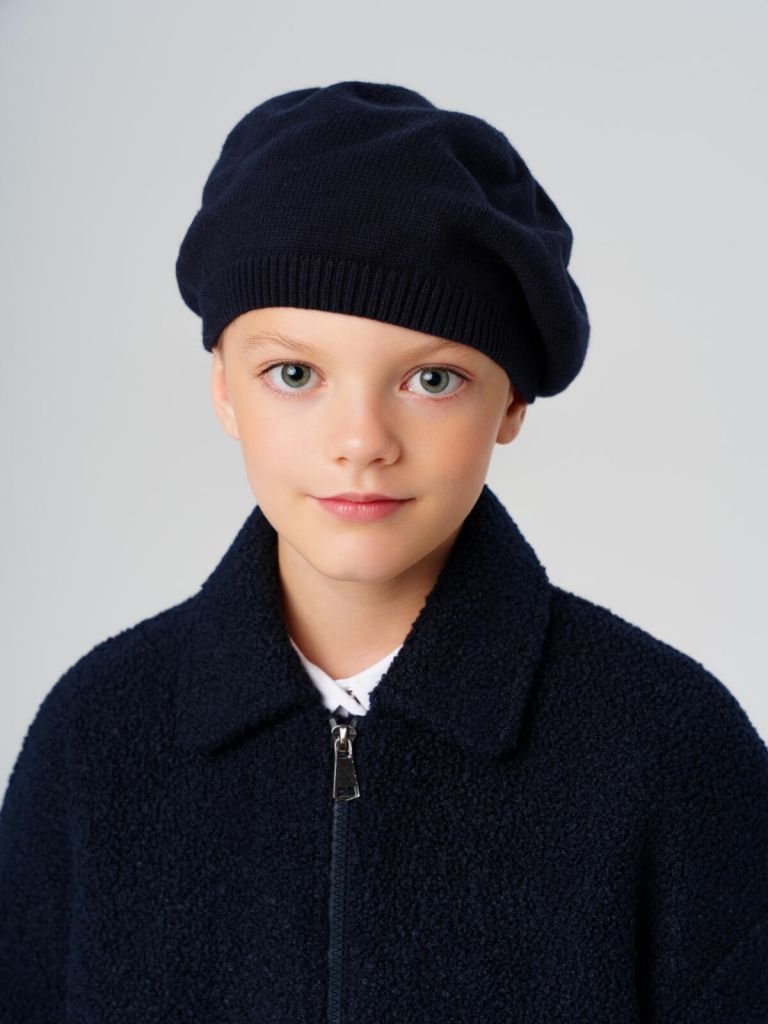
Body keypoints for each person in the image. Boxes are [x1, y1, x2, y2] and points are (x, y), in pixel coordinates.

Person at [1, 80, 766, 1023]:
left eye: (432, 379)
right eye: (294, 373)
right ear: (224, 390)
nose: (361, 440)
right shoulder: (97, 739)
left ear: (513, 401)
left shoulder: (671, 751)